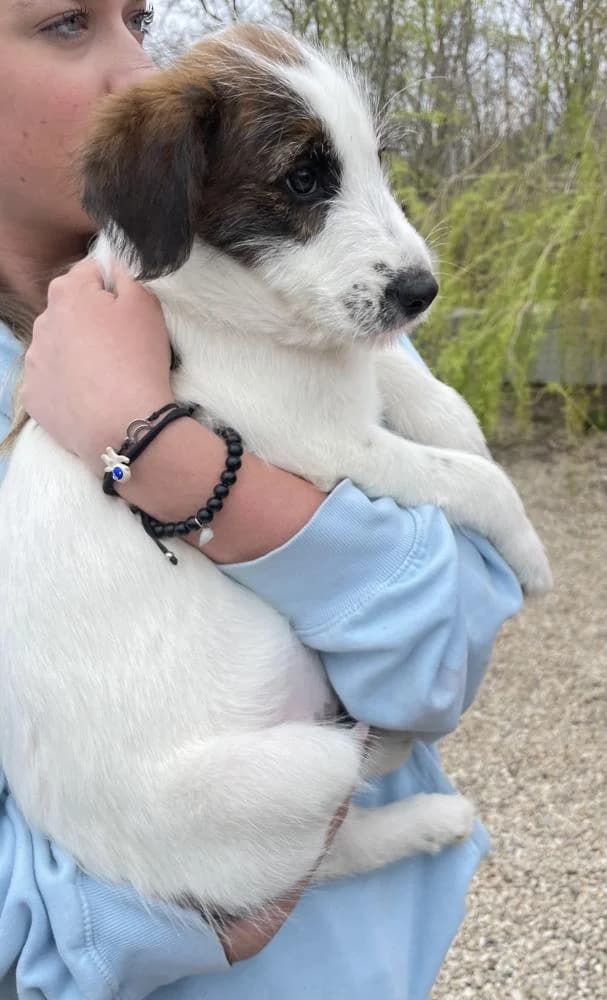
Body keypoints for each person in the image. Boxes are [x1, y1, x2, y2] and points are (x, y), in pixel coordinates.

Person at [0, 2, 524, 997]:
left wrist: (157, 451)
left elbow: (447, 651)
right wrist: (159, 915)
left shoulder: (301, 293)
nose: (135, 66)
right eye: (66, 23)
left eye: (137, 17)